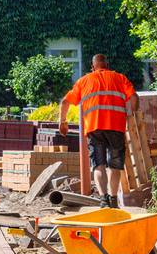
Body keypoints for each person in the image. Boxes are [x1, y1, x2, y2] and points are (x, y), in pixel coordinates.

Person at [59, 54, 138, 208]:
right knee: (115, 165)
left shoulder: (84, 81)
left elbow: (65, 102)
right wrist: (133, 116)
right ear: (107, 64)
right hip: (116, 127)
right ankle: (113, 199)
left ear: (93, 66)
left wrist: (62, 122)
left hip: (94, 128)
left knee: (98, 165)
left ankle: (103, 200)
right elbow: (134, 97)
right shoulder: (120, 78)